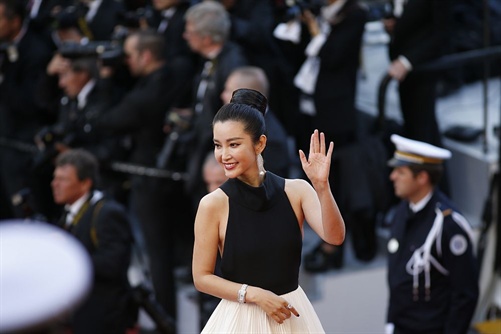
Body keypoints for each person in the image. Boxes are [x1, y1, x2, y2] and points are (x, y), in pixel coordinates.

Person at [192, 88, 345, 332]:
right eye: (218, 145)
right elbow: (201, 277)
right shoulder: (213, 204)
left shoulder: (297, 191)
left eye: (234, 144)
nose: (224, 155)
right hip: (241, 318)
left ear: (260, 143)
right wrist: (253, 294)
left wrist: (322, 187)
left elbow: (335, 237)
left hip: (292, 316)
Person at [292, 0, 369, 272]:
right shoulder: (318, 13)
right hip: (310, 106)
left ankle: (333, 246)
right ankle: (326, 239)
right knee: (316, 179)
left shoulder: (355, 16)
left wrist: (315, 27)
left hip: (337, 111)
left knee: (336, 180)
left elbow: (333, 55)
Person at [385, 134, 479, 334]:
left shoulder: (448, 225)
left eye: (400, 172)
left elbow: (465, 294)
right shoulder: (403, 210)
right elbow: (398, 279)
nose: (392, 176)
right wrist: (391, 323)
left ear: (422, 177)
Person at [51, 148, 135, 334]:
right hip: (79, 315)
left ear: (85, 183)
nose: (54, 184)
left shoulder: (107, 213)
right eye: (55, 178)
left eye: (63, 179)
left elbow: (113, 265)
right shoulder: (68, 212)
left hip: (102, 319)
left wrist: (66, 260)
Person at [382, 0, 450, 147]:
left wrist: (407, 61)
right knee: (415, 128)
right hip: (403, 69)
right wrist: (394, 25)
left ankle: (425, 170)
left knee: (422, 132)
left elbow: (442, 33)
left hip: (423, 69)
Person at [221, 66, 291, 178]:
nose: (223, 95)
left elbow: (267, 186)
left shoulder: (271, 141)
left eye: (229, 91)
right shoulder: (244, 122)